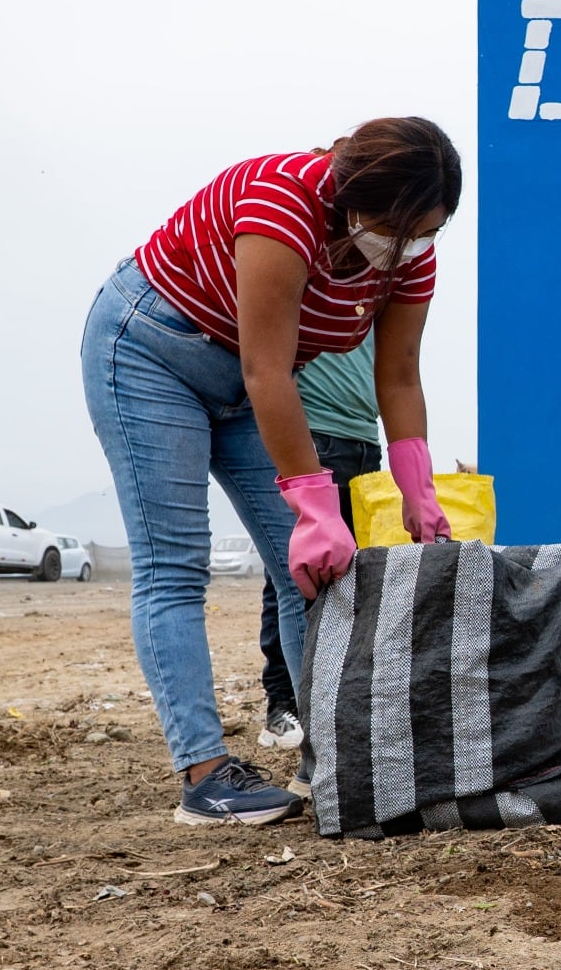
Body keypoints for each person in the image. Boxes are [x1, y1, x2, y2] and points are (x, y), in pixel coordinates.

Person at [80, 118, 461, 827]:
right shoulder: (280, 204)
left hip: (252, 380)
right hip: (153, 353)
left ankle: (335, 756)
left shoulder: (409, 255)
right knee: (175, 564)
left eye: (426, 232)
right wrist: (316, 507)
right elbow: (266, 369)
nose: (407, 249)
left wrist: (419, 487)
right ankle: (204, 774)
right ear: (353, 197)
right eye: (398, 229)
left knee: (315, 573)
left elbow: (400, 375)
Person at [252, 335, 379, 750]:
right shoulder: (311, 272)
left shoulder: (384, 280)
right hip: (312, 433)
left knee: (348, 576)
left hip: (363, 437)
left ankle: (336, 708)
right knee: (294, 578)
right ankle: (285, 705)